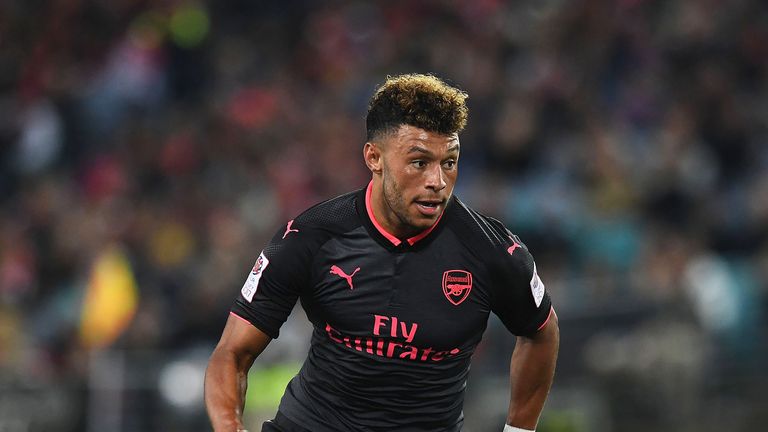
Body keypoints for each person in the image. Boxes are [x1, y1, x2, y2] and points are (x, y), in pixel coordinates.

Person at [204, 74, 559, 432]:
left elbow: (542, 331)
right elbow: (232, 353)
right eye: (419, 162)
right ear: (374, 157)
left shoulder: (491, 251)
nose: (437, 181)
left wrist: (518, 431)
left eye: (449, 162)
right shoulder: (311, 236)